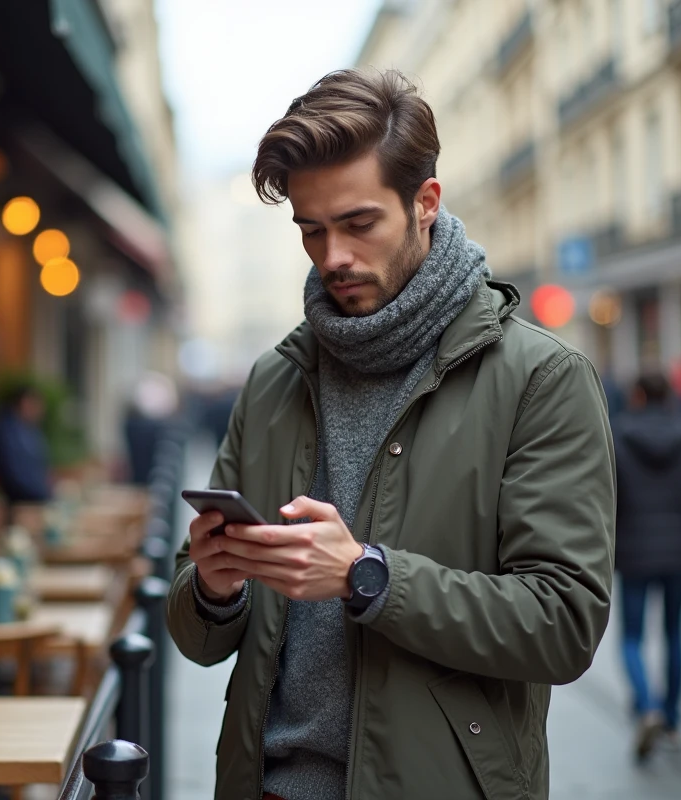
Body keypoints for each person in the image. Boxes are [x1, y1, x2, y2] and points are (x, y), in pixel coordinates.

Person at [165, 69, 615, 800]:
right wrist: (216, 586)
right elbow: (196, 637)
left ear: (425, 203)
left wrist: (367, 576)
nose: (332, 256)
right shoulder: (275, 378)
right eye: (311, 230)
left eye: (358, 223)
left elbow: (564, 624)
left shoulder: (541, 378)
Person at [611, 373, 681, 760]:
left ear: (638, 395)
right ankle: (671, 719)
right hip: (679, 553)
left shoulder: (617, 436)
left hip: (633, 551)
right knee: (675, 633)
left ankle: (647, 706)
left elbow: (604, 495)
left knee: (632, 637)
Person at [0, 385, 52, 505]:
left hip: (36, 496)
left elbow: (42, 465)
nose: (41, 411)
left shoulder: (31, 429)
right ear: (24, 403)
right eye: (36, 405)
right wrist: (43, 494)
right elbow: (14, 475)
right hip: (21, 500)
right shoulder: (8, 433)